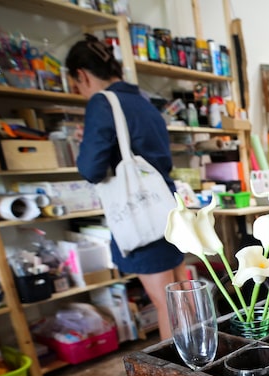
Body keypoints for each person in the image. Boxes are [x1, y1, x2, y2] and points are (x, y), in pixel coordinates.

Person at [66, 35, 188, 340]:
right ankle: (197, 370)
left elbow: (91, 168)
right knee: (183, 298)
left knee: (167, 305)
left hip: (141, 215)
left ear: (81, 75)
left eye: (76, 85)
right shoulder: (144, 102)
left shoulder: (102, 102)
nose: (80, 91)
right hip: (167, 207)